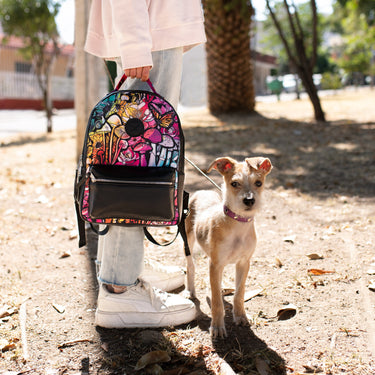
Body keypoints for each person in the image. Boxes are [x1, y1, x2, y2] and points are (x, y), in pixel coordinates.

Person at [84, 0, 206, 329]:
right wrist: (136, 45)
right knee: (133, 164)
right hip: (151, 36)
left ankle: (123, 266)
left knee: (131, 157)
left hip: (153, 32)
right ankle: (120, 288)